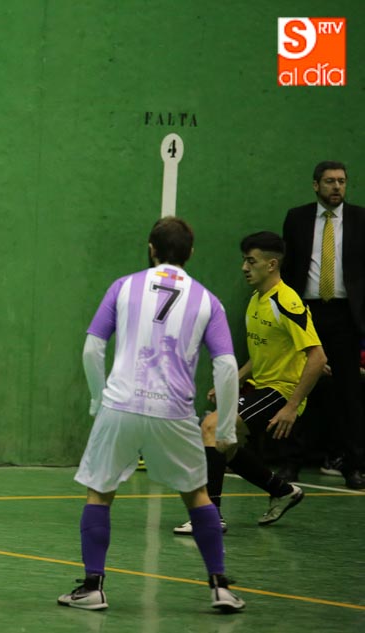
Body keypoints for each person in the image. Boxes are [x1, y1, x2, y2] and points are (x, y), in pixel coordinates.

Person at [59, 217, 244, 612]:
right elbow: (227, 366)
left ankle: (93, 587)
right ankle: (220, 587)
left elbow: (92, 348)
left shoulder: (123, 287)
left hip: (120, 404)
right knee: (197, 494)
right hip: (174, 412)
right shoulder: (208, 300)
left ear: (151, 248)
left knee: (100, 492)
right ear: (190, 253)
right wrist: (226, 428)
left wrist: (98, 400)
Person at [172, 232, 325, 536]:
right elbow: (264, 353)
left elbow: (317, 357)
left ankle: (210, 516)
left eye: (251, 261)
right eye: (244, 260)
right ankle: (282, 490)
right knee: (225, 446)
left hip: (281, 391)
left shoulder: (286, 301)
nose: (244, 267)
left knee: (212, 427)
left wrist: (292, 406)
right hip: (262, 387)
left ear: (271, 264)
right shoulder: (257, 300)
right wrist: (233, 380)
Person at [281, 161, 365, 490]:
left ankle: (353, 467)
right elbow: (289, 268)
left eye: (342, 181)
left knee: (349, 393)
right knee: (300, 388)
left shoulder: (360, 219)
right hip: (307, 312)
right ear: (316, 185)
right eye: (330, 181)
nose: (337, 187)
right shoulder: (297, 218)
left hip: (346, 316)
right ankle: (290, 462)